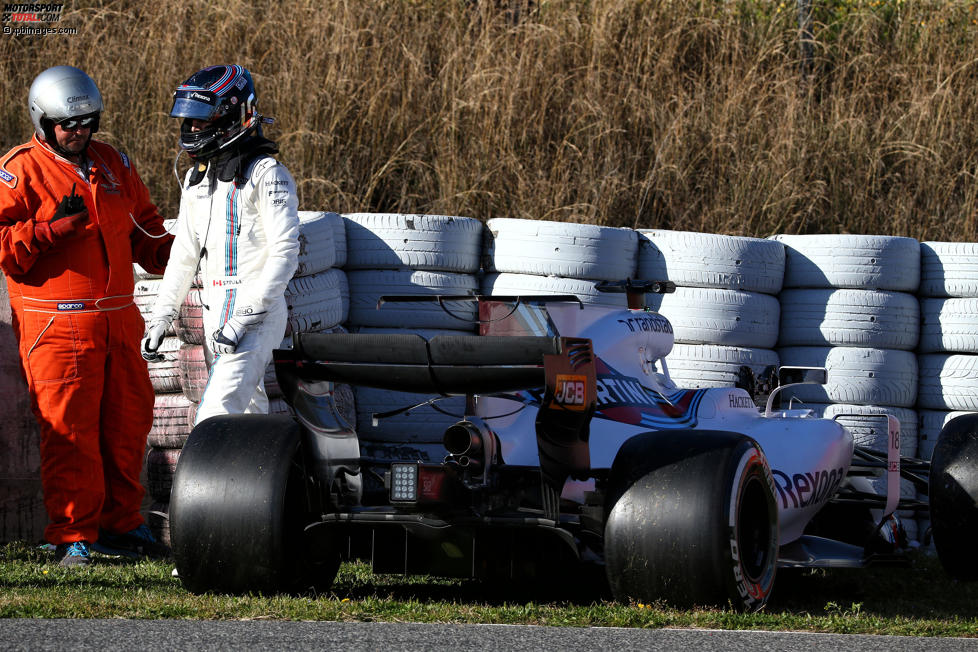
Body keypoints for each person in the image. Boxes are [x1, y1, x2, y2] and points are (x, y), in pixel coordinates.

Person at [0, 66, 174, 567]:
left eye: (88, 122)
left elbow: (148, 230)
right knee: (69, 433)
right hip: (56, 325)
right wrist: (47, 230)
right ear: (42, 120)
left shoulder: (111, 162)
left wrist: (188, 254)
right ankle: (71, 537)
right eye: (66, 125)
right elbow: (4, 248)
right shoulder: (18, 170)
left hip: (118, 320)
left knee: (127, 428)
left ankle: (123, 525)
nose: (78, 133)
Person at [142, 65, 299, 424]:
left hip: (255, 317)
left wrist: (243, 318)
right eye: (189, 122)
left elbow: (285, 253)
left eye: (200, 121)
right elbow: (183, 257)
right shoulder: (197, 179)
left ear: (231, 117)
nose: (192, 129)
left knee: (212, 418)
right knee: (246, 418)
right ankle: (263, 478)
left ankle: (201, 480)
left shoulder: (267, 174)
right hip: (215, 314)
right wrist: (160, 318)